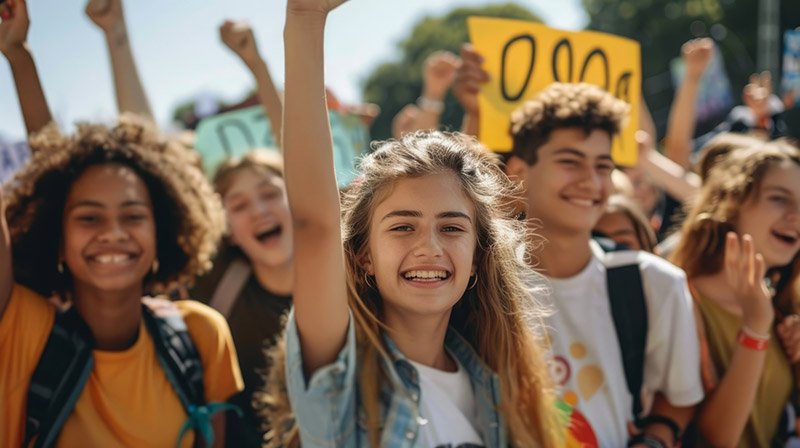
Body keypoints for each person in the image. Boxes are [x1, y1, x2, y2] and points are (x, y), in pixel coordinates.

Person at [264, 0, 563, 446]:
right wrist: (305, 21)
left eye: (452, 227)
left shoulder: (499, 385)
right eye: (403, 226)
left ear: (480, 255)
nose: (430, 246)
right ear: (363, 255)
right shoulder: (341, 381)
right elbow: (315, 225)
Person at [454, 47, 704, 446]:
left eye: (603, 166)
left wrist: (656, 438)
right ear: (518, 172)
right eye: (570, 161)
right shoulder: (474, 285)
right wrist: (474, 111)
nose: (591, 180)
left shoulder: (654, 282)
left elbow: (679, 398)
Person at [0, 116, 242, 447]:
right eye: (89, 217)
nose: (113, 232)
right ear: (57, 239)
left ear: (163, 231)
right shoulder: (22, 331)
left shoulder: (201, 334)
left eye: (133, 216)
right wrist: (22, 63)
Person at [670, 141, 800, 447]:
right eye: (779, 199)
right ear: (731, 204)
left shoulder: (787, 305)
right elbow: (717, 438)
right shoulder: (680, 298)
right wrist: (755, 328)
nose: (797, 216)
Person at [191, 150, 293, 447]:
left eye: (270, 194)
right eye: (239, 205)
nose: (259, 211)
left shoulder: (349, 277)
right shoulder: (215, 285)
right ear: (229, 232)